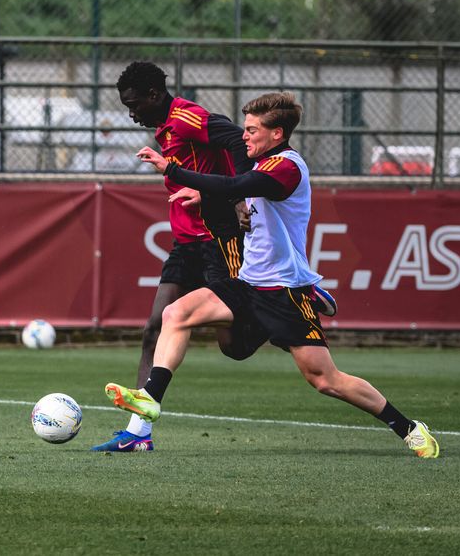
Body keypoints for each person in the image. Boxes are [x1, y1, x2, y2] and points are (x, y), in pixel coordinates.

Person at [104, 91, 439, 458]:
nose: (243, 136)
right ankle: (150, 399)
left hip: (283, 292)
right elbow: (238, 194)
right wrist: (205, 196)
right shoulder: (262, 165)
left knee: (325, 380)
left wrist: (170, 168)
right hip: (248, 284)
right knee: (175, 314)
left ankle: (407, 427)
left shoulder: (287, 167)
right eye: (245, 129)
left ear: (276, 134)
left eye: (251, 130)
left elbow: (234, 186)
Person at [91, 61, 257, 454]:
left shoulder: (187, 117)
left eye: (135, 105)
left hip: (219, 239)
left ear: (154, 95)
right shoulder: (165, 129)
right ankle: (137, 433)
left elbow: (236, 139)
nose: (131, 114)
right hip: (186, 242)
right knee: (154, 327)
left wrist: (235, 197)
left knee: (233, 346)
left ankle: (285, 304)